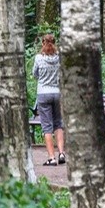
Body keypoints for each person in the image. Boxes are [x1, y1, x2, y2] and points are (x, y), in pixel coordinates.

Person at [33, 33, 66, 165]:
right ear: (54, 43)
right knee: (58, 123)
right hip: (57, 93)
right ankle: (62, 153)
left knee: (47, 127)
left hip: (43, 94)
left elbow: (35, 74)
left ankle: (51, 158)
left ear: (43, 43)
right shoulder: (59, 58)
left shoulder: (38, 58)